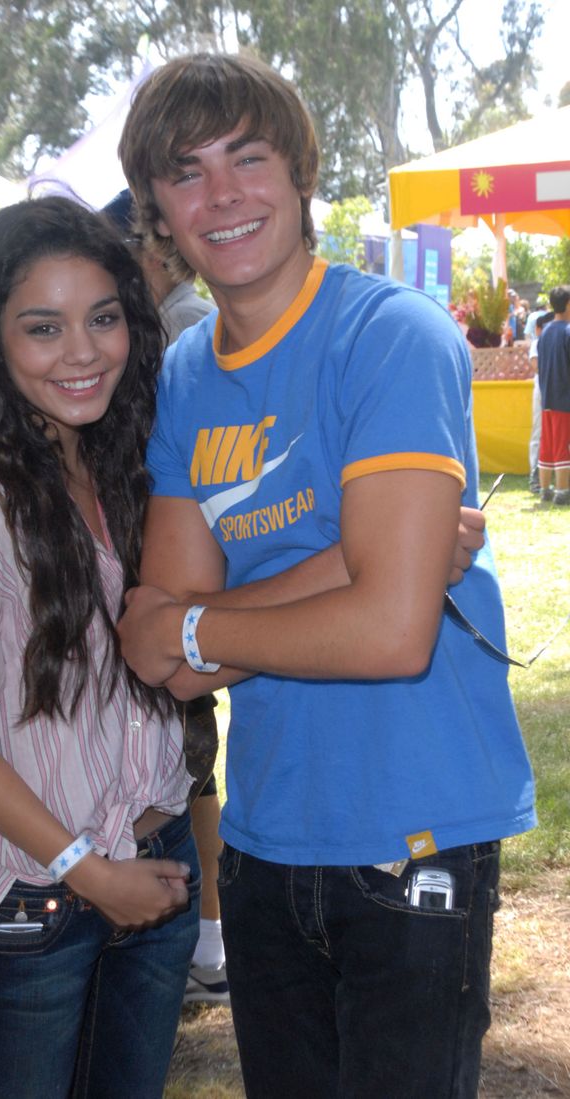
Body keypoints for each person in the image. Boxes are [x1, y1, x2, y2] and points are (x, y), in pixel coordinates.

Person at [116, 53, 536, 1099]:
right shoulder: (184, 373)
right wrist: (354, 563)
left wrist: (202, 628)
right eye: (186, 172)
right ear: (158, 210)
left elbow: (389, 637)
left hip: (412, 834)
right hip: (263, 839)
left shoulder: (388, 334)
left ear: (300, 170)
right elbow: (156, 656)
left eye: (246, 157)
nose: (222, 195)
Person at [0, 196, 200, 1099]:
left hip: (153, 870)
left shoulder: (115, 463)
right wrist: (89, 872)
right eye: (43, 327)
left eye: (103, 317)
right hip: (36, 905)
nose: (84, 350)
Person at [103, 188, 228, 1003]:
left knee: (185, 770)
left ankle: (203, 936)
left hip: (168, 589)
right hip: (157, 587)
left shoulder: (181, 331)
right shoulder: (169, 321)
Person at [537, 285, 570, 506]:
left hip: (547, 397)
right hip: (564, 397)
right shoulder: (567, 331)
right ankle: (562, 491)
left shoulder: (545, 331)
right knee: (563, 445)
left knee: (547, 445)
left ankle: (544, 489)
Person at [527, 310, 555, 493]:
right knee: (539, 432)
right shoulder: (537, 343)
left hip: (558, 391)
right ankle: (535, 477)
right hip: (543, 391)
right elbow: (536, 365)